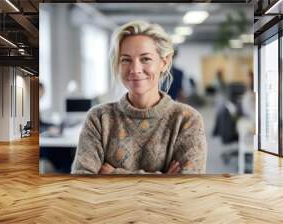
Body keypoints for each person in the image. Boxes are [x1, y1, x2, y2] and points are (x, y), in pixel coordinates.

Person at [71, 20, 207, 175]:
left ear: (164, 62)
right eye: (126, 60)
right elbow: (81, 185)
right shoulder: (99, 119)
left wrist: (115, 175)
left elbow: (187, 191)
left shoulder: (187, 120)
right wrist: (163, 181)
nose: (135, 69)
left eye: (145, 59)